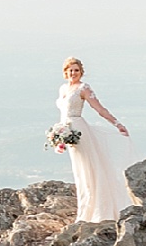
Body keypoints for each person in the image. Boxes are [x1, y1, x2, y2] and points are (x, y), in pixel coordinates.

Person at [55, 56, 131, 226]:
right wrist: (59, 136)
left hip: (79, 131)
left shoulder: (83, 88)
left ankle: (95, 211)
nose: (73, 73)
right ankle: (84, 210)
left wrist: (117, 124)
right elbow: (62, 114)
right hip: (67, 132)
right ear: (65, 72)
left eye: (76, 70)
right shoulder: (63, 89)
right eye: (70, 70)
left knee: (88, 170)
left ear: (81, 72)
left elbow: (99, 109)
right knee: (79, 172)